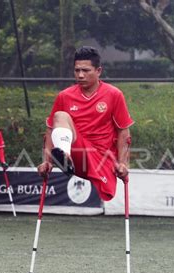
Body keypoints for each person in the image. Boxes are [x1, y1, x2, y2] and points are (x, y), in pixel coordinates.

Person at [37, 46, 134, 201]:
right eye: (77, 70)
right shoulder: (64, 96)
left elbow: (124, 132)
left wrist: (123, 164)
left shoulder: (114, 95)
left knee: (61, 116)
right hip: (76, 155)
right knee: (60, 116)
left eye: (86, 70)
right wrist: (46, 162)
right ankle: (64, 157)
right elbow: (50, 131)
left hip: (101, 159)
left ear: (98, 71)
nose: (80, 75)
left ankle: (64, 157)